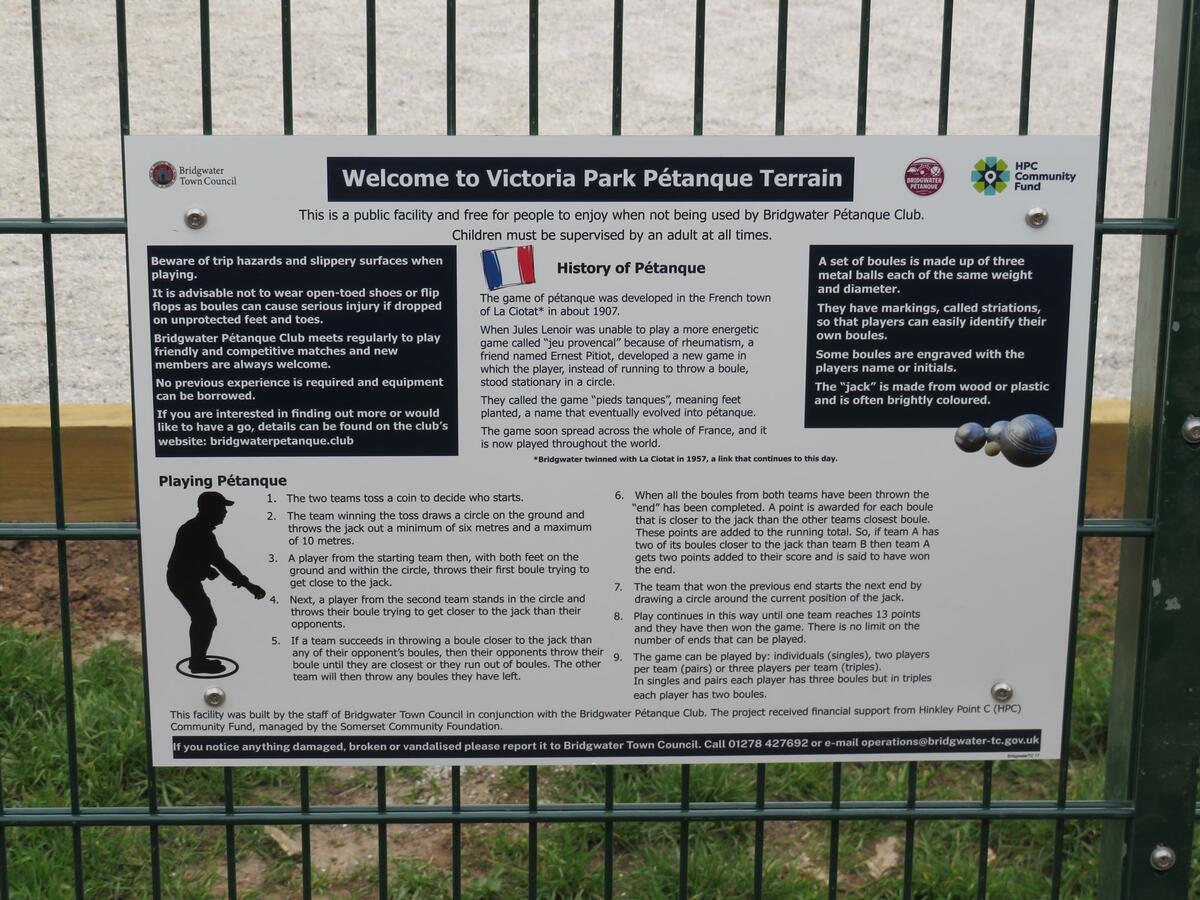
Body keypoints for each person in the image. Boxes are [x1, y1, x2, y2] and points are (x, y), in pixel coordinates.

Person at [167, 491, 266, 674]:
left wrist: (205, 569)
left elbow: (203, 558)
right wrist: (249, 586)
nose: (225, 512)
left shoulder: (198, 529)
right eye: (222, 508)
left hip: (185, 579)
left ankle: (198, 660)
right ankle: (197, 662)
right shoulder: (198, 531)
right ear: (210, 509)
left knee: (204, 619)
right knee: (205, 619)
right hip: (182, 580)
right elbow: (221, 563)